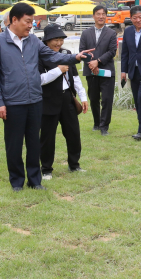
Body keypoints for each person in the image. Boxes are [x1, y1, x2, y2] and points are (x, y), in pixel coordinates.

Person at [0, 3, 94, 191]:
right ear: (14, 20)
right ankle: (17, 182)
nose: (31, 26)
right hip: (12, 102)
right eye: (28, 21)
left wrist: (75, 57)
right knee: (14, 144)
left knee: (34, 143)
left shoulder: (33, 41)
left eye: (32, 22)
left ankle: (35, 181)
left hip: (35, 100)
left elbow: (52, 57)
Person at [39, 24, 89, 180]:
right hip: (48, 100)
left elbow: (75, 78)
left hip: (67, 98)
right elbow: (39, 80)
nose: (58, 43)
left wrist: (83, 97)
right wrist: (58, 70)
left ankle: (74, 165)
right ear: (47, 40)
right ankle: (46, 169)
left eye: (61, 39)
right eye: (55, 40)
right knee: (47, 136)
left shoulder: (66, 54)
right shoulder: (39, 56)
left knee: (73, 133)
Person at [79, 5, 117, 136]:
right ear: (93, 16)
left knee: (107, 99)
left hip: (106, 71)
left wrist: (98, 61)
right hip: (91, 71)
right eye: (98, 14)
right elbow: (82, 51)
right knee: (93, 98)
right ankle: (96, 122)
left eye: (103, 14)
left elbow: (112, 51)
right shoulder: (85, 33)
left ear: (106, 16)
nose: (101, 16)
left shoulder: (112, 33)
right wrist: (91, 64)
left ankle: (104, 126)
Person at [120, 6, 141, 140]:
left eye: (140, 17)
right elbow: (125, 53)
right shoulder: (127, 32)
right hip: (134, 70)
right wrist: (123, 70)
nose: (138, 20)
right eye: (135, 18)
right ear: (131, 18)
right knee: (138, 100)